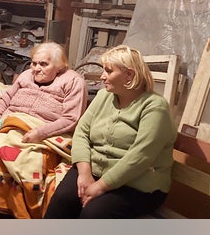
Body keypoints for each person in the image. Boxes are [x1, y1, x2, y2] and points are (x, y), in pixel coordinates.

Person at [44, 45, 177, 219]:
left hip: (136, 184)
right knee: (63, 199)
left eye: (108, 71)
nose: (102, 76)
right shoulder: (103, 96)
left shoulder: (154, 107)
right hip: (95, 171)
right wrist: (84, 174)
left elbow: (139, 158)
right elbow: (82, 132)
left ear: (129, 75)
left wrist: (100, 186)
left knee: (93, 213)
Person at [0, 42, 88, 219]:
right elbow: (5, 98)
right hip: (12, 121)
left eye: (43, 64)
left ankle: (19, 208)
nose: (36, 68)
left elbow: (71, 119)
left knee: (28, 160)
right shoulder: (26, 75)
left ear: (59, 66)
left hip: (43, 128)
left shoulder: (74, 81)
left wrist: (40, 133)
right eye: (34, 63)